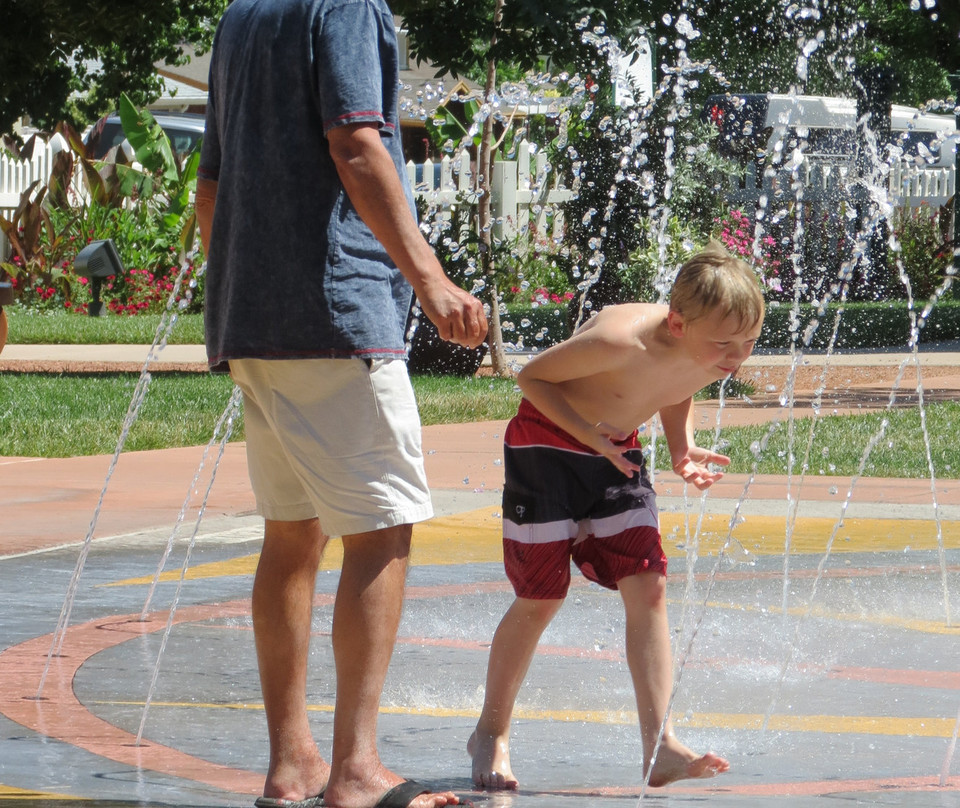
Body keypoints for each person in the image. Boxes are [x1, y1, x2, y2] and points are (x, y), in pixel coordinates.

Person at [194, 2, 487, 808]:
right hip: (333, 313)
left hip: (251, 318)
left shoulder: (244, 15)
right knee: (380, 532)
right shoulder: (346, 7)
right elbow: (356, 143)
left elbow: (210, 187)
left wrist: (239, 298)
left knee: (292, 536)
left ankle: (292, 767)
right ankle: (356, 770)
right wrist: (429, 279)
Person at [468, 243, 764, 790]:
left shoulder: (704, 350)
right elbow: (532, 379)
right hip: (545, 453)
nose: (737, 356)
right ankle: (491, 732)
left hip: (615, 457)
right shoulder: (618, 339)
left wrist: (681, 447)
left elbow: (678, 386)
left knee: (649, 586)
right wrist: (587, 435)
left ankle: (661, 746)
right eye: (726, 344)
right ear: (676, 322)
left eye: (749, 342)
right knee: (540, 598)